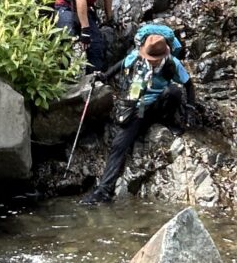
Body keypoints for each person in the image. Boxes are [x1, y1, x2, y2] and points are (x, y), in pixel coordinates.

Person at [82, 24, 197, 206]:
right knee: (119, 145)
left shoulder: (172, 63)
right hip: (139, 107)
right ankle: (104, 191)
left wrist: (190, 107)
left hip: (159, 105)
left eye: (154, 59)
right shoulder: (135, 57)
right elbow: (116, 68)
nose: (151, 61)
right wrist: (102, 76)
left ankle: (166, 121)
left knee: (173, 91)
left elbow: (189, 85)